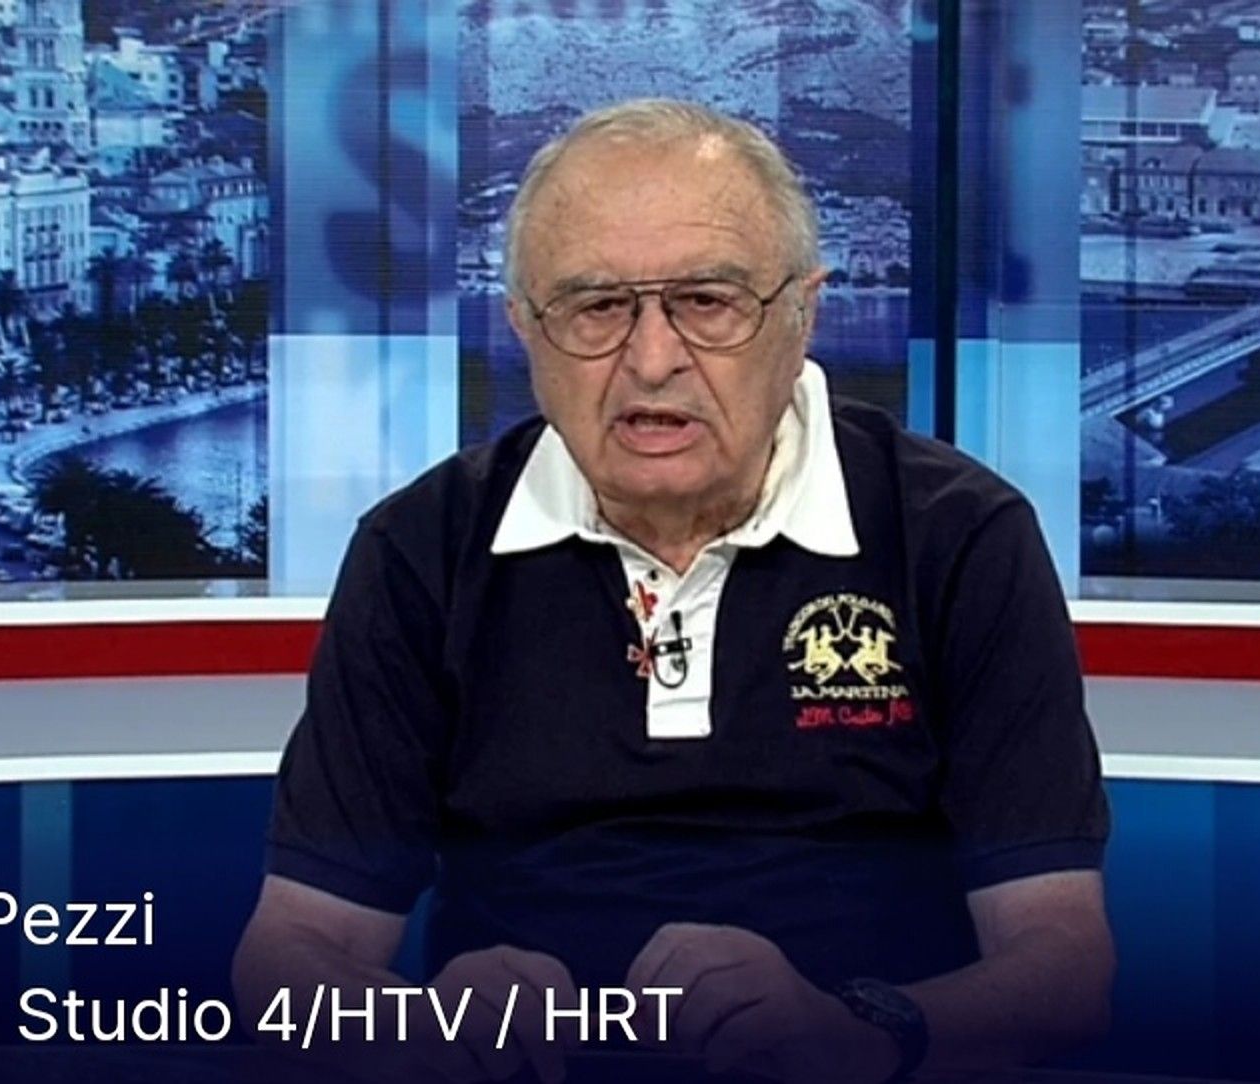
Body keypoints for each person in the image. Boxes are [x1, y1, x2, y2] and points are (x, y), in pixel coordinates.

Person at [233, 99, 1112, 1084]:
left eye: (706, 301)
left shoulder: (958, 536)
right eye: (596, 308)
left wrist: (861, 1031)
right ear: (524, 327)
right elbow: (287, 958)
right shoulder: (419, 549)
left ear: (803, 313)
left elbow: (1065, 968)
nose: (652, 361)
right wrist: (414, 1026)